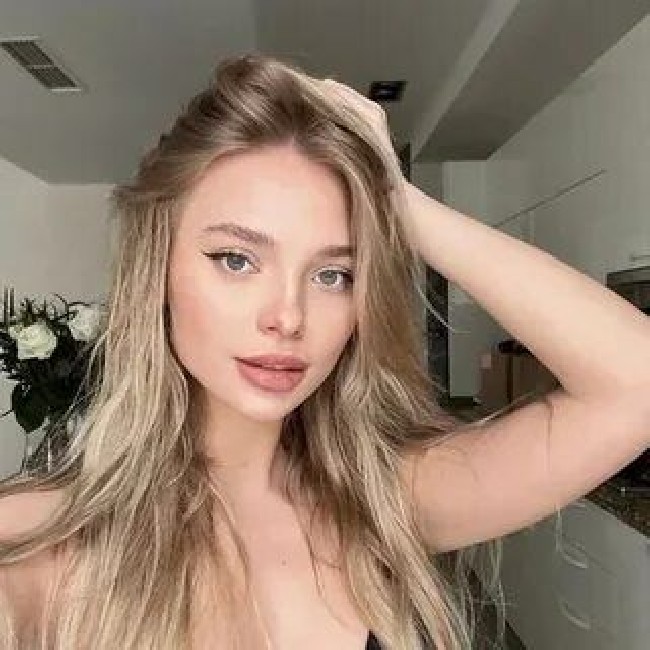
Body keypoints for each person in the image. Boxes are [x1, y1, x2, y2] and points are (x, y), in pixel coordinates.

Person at [0, 53, 649, 650]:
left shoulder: (381, 502)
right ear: (159, 270)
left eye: (332, 274)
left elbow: (636, 383)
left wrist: (397, 200)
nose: (288, 316)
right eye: (236, 259)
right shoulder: (37, 545)